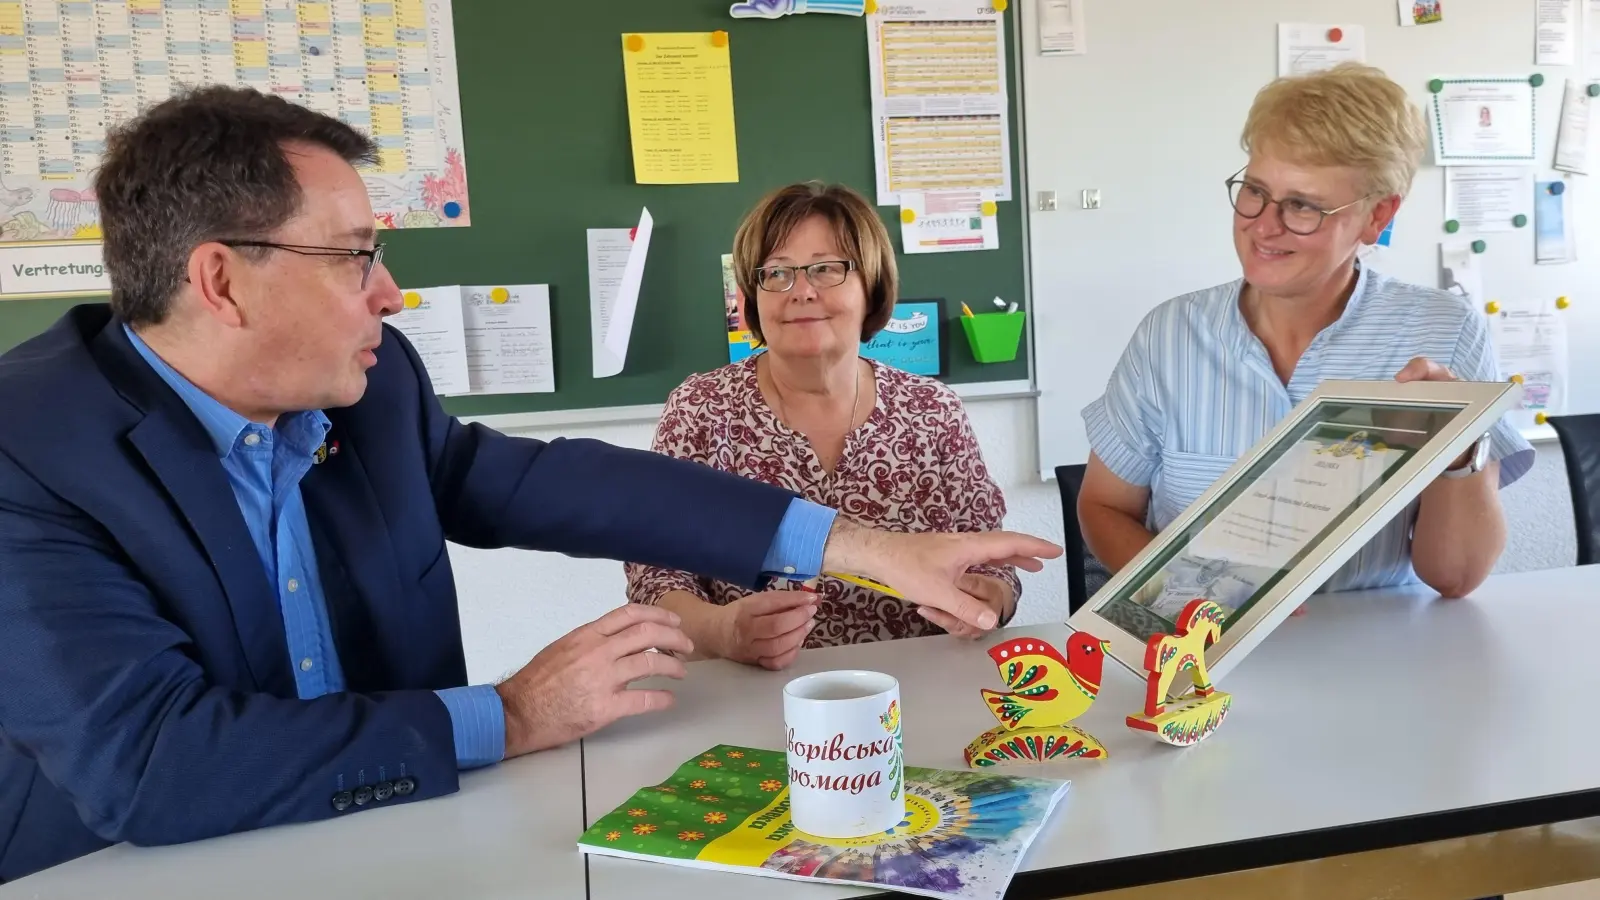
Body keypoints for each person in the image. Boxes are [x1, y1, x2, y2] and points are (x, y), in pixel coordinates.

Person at [0, 88, 1061, 882]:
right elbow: (150, 764)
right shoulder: (27, 450)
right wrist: (509, 715)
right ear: (222, 282)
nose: (390, 293)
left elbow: (552, 486)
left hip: (403, 842)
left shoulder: (372, 387)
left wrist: (862, 547)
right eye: (356, 257)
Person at [1078, 63, 1533, 602]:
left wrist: (1457, 450)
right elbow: (1104, 507)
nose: (1264, 225)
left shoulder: (1442, 332)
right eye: (1255, 190)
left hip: (1377, 641)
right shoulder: (1170, 335)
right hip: (1201, 643)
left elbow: (1454, 576)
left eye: (1302, 205)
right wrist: (1188, 600)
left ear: (1377, 216)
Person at [625, 182, 1018, 669]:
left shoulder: (931, 409)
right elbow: (656, 572)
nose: (802, 291)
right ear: (752, 299)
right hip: (749, 688)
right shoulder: (702, 408)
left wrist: (990, 598)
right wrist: (722, 632)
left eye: (827, 268)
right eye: (777, 273)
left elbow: (990, 560)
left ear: (872, 287)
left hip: (917, 681)